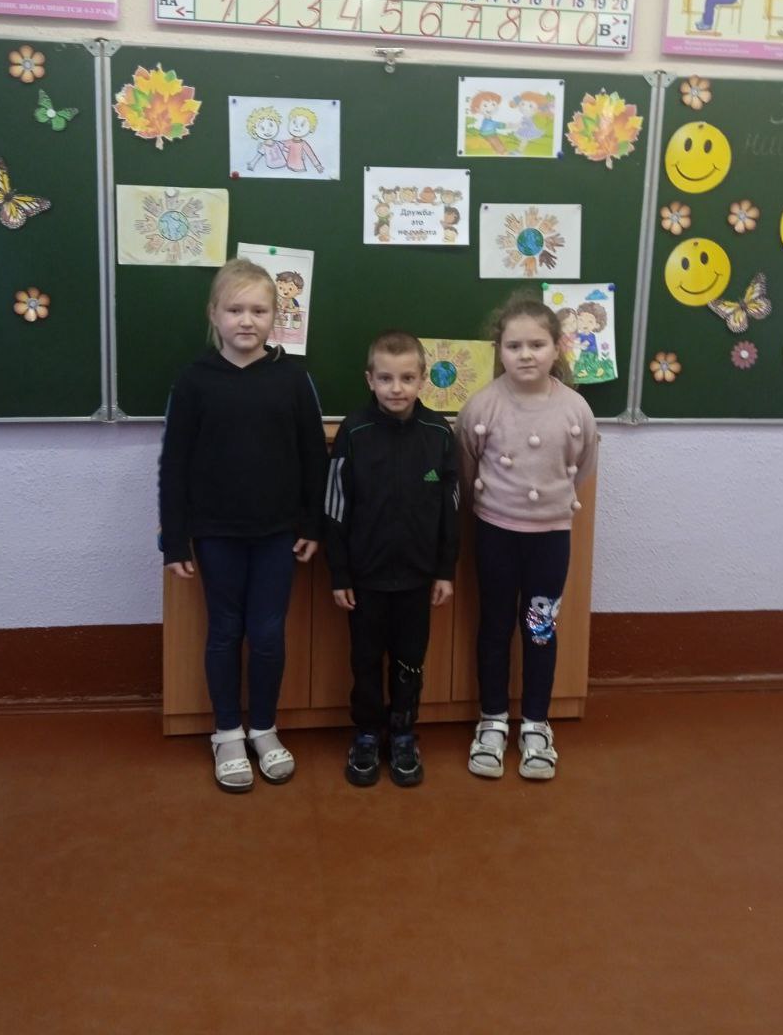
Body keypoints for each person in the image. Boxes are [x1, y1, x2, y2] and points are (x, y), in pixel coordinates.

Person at [159, 258, 328, 793]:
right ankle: (227, 732)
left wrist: (313, 524)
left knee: (269, 633)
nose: (247, 321)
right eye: (235, 310)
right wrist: (174, 539)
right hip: (216, 534)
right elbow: (174, 464)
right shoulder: (194, 381)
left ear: (276, 317)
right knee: (225, 631)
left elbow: (314, 458)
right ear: (214, 314)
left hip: (279, 534)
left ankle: (264, 728)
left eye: (259, 310)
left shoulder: (293, 380)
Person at [455, 294, 597, 781]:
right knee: (495, 625)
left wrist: (547, 508)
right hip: (495, 534)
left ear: (557, 348)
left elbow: (581, 467)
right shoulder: (483, 405)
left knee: (540, 629)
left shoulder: (575, 409)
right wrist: (497, 507)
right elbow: (467, 465)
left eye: (537, 344)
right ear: (499, 349)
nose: (526, 354)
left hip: (550, 541)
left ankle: (536, 723)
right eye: (514, 345)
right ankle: (493, 719)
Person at [325, 331, 459, 787]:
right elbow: (336, 507)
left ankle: (402, 733)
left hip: (418, 580)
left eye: (406, 378)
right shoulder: (354, 432)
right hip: (365, 579)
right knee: (365, 661)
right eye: (385, 378)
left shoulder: (438, 433)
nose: (396, 388)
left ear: (423, 379)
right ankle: (366, 733)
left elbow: (451, 509)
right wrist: (340, 574)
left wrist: (445, 570)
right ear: (370, 380)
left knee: (410, 661)